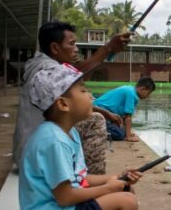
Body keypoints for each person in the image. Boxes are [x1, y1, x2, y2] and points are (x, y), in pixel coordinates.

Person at [20, 64, 143, 210]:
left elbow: (79, 179)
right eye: (84, 91)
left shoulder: (68, 133)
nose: (92, 97)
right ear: (63, 104)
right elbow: (65, 196)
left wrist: (114, 178)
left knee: (125, 187)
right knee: (126, 202)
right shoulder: (54, 141)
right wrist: (108, 188)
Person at [12, 21, 131, 174]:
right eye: (72, 44)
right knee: (95, 120)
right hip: (35, 158)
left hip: (29, 151)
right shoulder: (46, 69)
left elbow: (72, 80)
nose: (76, 49)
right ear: (55, 47)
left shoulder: (39, 65)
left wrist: (105, 111)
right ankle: (93, 178)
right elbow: (72, 76)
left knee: (94, 116)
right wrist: (108, 49)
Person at [93, 76, 156, 142]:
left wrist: (127, 132)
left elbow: (124, 116)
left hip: (103, 113)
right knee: (120, 134)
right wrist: (128, 136)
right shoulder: (131, 94)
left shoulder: (131, 90)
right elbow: (128, 117)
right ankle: (95, 132)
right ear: (143, 89)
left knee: (122, 131)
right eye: (148, 93)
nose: (148, 96)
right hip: (99, 113)